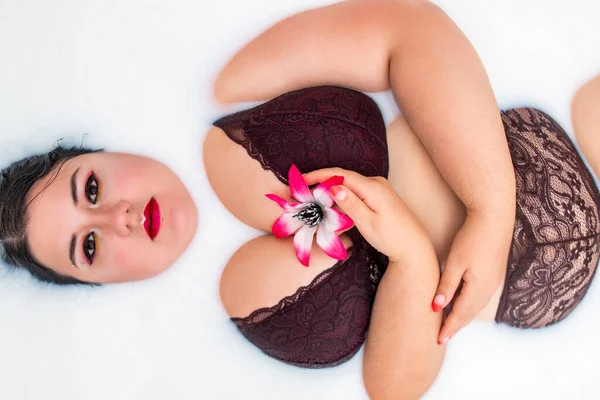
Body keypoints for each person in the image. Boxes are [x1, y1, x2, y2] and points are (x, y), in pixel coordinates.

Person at [0, 0, 598, 398]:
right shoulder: (206, 338)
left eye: (93, 188)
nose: (118, 218)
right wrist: (414, 259)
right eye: (91, 244)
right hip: (564, 300)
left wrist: (491, 211)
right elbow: (393, 388)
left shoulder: (231, 83)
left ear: (101, 155)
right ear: (104, 283)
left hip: (561, 150)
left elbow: (410, 29)